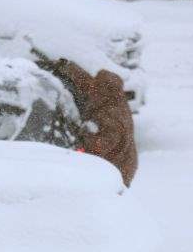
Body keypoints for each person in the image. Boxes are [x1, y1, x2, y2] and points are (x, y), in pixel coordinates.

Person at [49, 59, 139, 187]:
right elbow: (85, 83)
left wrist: (83, 134)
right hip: (119, 163)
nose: (92, 87)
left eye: (96, 85)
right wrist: (67, 66)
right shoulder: (110, 97)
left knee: (104, 196)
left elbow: (100, 146)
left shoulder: (111, 115)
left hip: (118, 170)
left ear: (102, 90)